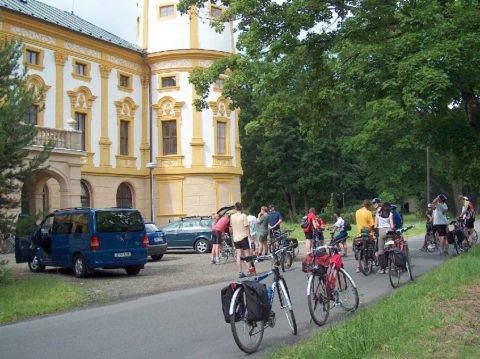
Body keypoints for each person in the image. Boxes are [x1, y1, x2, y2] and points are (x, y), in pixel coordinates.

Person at [230, 202, 253, 278]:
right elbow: (246, 227)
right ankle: (249, 270)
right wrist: (250, 238)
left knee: (238, 255)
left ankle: (240, 272)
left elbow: (231, 228)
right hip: (243, 237)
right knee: (247, 254)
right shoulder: (244, 216)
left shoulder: (232, 217)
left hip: (236, 238)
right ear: (242, 208)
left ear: (235, 208)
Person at [355, 200, 375, 273]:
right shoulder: (368, 212)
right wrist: (375, 231)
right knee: (371, 248)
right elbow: (372, 225)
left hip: (359, 234)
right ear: (368, 206)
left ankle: (358, 266)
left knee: (358, 249)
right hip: (368, 234)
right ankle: (369, 263)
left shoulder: (357, 212)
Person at [375, 202, 394, 274]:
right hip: (389, 231)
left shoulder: (378, 214)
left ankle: (383, 268)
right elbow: (392, 225)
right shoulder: (390, 214)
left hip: (381, 231)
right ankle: (389, 266)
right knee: (389, 248)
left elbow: (375, 226)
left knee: (381, 250)